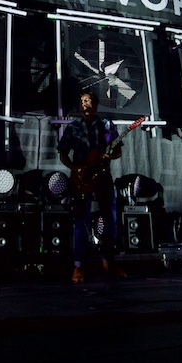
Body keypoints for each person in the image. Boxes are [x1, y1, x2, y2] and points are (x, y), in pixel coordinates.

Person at [57, 89, 126, 283]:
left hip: (103, 176)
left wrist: (108, 156)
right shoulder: (73, 127)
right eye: (81, 101)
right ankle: (78, 266)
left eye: (87, 101)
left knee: (110, 219)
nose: (84, 104)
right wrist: (74, 168)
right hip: (82, 178)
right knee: (81, 220)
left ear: (95, 104)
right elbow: (62, 153)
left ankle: (109, 262)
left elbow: (118, 151)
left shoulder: (106, 124)